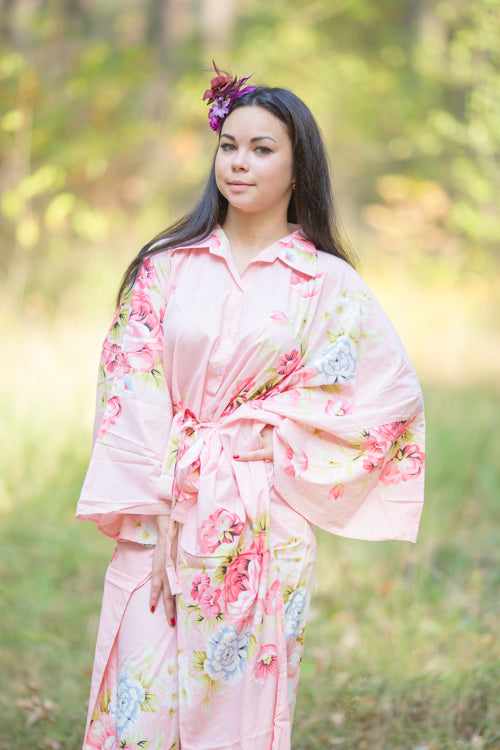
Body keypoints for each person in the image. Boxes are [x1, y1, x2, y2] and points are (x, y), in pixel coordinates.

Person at [77, 63, 425, 750]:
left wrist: (281, 439)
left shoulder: (327, 283)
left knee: (238, 711)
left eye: (262, 149)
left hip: (262, 520)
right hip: (164, 508)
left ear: (299, 169)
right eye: (228, 145)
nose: (239, 162)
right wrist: (156, 509)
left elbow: (387, 399)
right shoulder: (168, 266)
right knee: (136, 709)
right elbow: (129, 382)